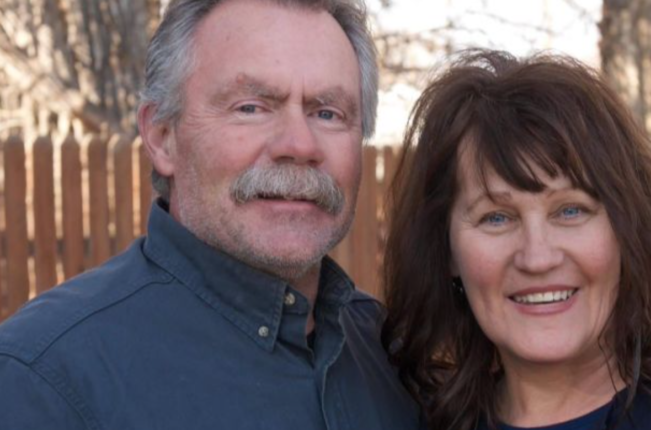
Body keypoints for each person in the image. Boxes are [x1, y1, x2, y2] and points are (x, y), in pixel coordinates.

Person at [0, 0, 418, 429]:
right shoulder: (41, 382)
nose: (299, 145)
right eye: (251, 108)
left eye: (327, 113)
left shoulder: (397, 358)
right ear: (162, 137)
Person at [381, 49, 651, 430]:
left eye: (570, 211)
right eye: (496, 217)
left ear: (625, 226)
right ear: (446, 249)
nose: (538, 258)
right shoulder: (414, 422)